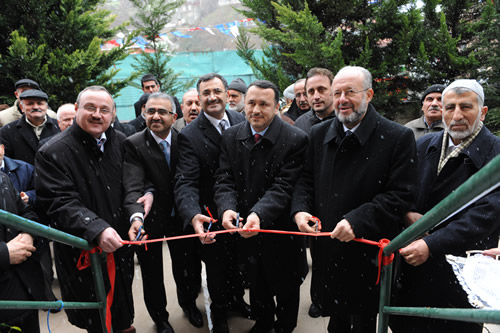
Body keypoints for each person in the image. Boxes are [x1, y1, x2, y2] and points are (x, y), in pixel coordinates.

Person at [292, 66, 417, 333]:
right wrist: (300, 211)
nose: (342, 99)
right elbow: (305, 180)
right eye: (337, 93)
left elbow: (401, 194)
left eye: (351, 92)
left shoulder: (397, 137)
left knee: (364, 322)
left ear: (369, 94)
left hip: (368, 252)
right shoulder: (318, 134)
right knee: (335, 322)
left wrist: (358, 221)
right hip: (329, 249)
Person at [392, 79, 500, 333]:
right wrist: (406, 213)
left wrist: (432, 242)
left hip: (461, 269)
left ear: (482, 112)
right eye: (449, 107)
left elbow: (486, 215)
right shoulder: (422, 144)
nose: (457, 115)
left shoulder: (495, 155)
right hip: (413, 268)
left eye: (466, 107)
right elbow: (399, 188)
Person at [35, 86, 135, 332]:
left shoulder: (120, 142)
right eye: (90, 107)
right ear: (77, 109)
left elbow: (133, 185)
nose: (97, 115)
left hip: (119, 244)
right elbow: (59, 202)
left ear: (113, 115)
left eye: (104, 110)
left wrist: (138, 211)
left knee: (122, 307)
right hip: (83, 248)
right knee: (95, 312)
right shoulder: (53, 151)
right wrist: (96, 228)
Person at [214, 80, 308, 333]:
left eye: (263, 104)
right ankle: (263, 321)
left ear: (277, 106)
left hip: (281, 228)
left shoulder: (296, 139)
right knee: (256, 280)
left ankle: (286, 325)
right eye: (251, 103)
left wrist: (258, 213)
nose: (255, 110)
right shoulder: (232, 136)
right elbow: (225, 179)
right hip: (246, 228)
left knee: (287, 283)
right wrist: (227, 208)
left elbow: (284, 186)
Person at [174, 73, 249, 333]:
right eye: (205, 93)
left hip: (244, 213)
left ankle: (238, 301)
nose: (212, 97)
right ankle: (219, 316)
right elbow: (185, 181)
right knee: (217, 271)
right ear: (200, 98)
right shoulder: (190, 135)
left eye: (216, 91)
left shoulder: (243, 120)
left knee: (240, 264)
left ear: (227, 93)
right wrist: (193, 214)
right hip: (211, 217)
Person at [123, 92, 203, 332]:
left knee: (187, 268)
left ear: (174, 116)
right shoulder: (134, 143)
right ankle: (160, 317)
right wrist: (137, 214)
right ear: (144, 113)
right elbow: (133, 184)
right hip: (151, 220)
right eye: (150, 111)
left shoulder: (185, 140)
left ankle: (189, 306)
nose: (155, 116)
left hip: (181, 217)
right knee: (152, 273)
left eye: (162, 112)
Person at [0, 173, 50, 333]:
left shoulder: (3, 179)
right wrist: (4, 254)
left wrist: (29, 234)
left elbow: (27, 212)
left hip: (24, 293)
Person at [0, 90, 60, 165]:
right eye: (30, 104)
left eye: (40, 103)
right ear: (22, 107)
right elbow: (6, 163)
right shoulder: (7, 132)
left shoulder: (60, 127)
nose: (35, 107)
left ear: (46, 106)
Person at [295, 68, 335, 136]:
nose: (316, 97)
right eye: (311, 91)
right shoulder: (300, 124)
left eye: (321, 89)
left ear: (333, 89)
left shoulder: (346, 119)